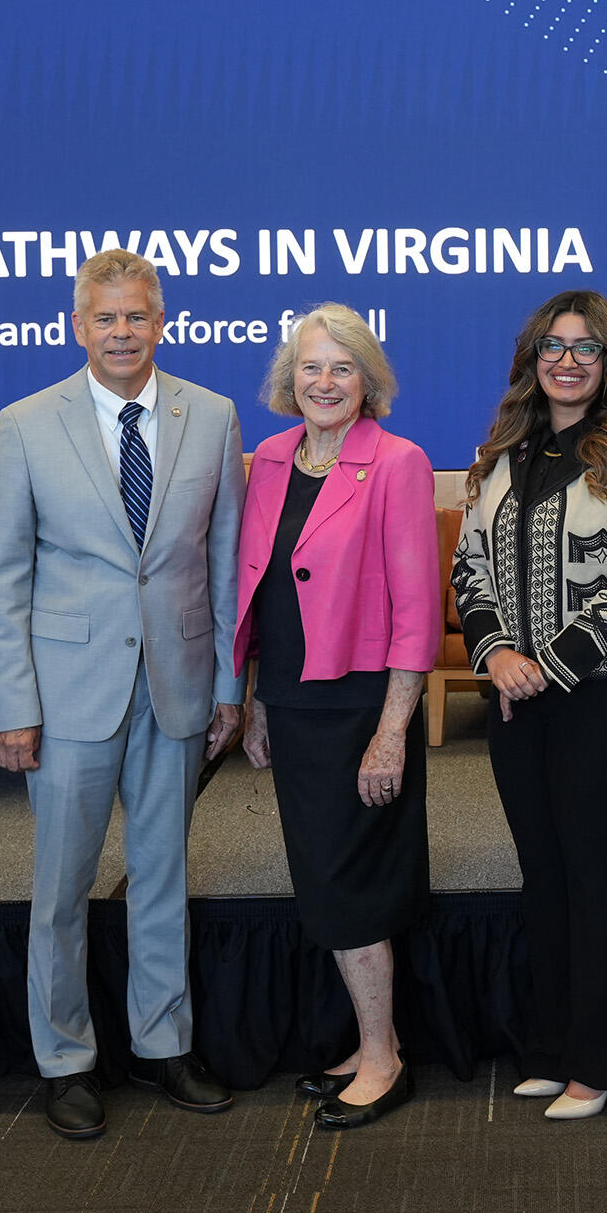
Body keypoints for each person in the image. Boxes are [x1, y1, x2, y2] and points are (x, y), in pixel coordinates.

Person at [0, 249, 246, 1139]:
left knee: (163, 875)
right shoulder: (26, 423)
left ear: (160, 321)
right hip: (66, 697)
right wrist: (13, 704)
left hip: (176, 684)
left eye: (137, 317)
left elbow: (223, 564)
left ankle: (164, 1044)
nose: (122, 333)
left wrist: (229, 685)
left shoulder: (210, 416)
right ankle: (64, 1060)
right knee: (61, 888)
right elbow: (5, 577)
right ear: (77, 325)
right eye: (106, 318)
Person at [450, 289, 607, 1121]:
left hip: (606, 697)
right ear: (531, 361)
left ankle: (605, 1060)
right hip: (517, 698)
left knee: (595, 872)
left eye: (586, 348)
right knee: (541, 873)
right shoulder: (499, 457)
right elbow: (468, 568)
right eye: (553, 346)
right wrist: (498, 656)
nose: (569, 360)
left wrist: (543, 665)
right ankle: (550, 1047)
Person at [234, 304, 439, 1130]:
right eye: (312, 367)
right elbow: (262, 589)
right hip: (290, 697)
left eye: (343, 368)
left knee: (354, 887)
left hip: (360, 707)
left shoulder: (398, 462)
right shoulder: (274, 457)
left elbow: (417, 612)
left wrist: (393, 729)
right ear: (291, 379)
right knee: (323, 881)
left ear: (368, 381)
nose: (325, 382)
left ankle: (384, 1059)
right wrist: (254, 699)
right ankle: (369, 1040)